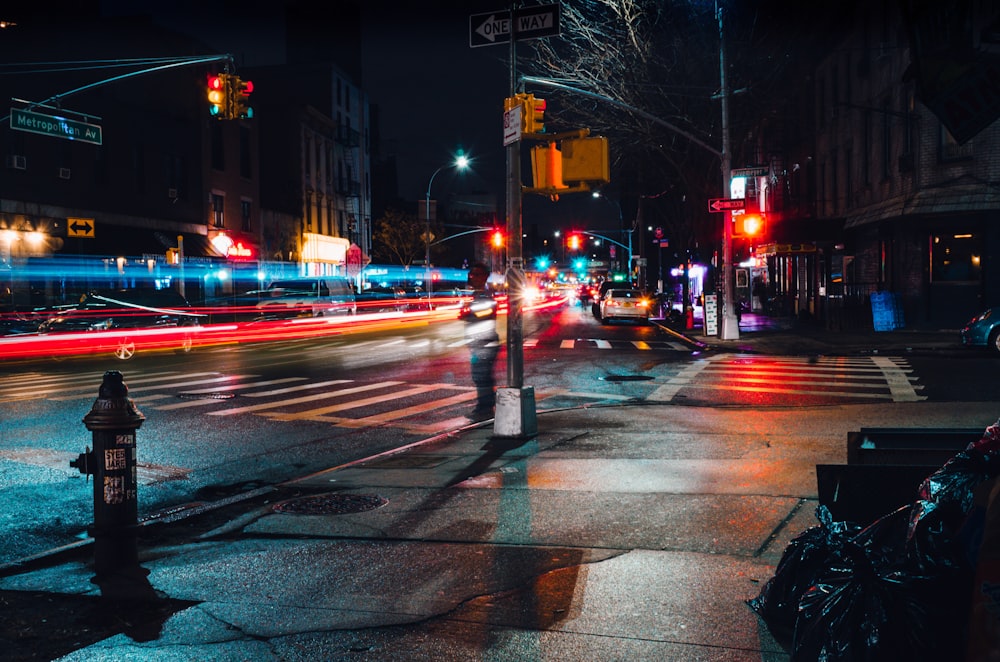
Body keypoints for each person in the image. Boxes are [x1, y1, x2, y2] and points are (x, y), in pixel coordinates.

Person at [460, 262, 500, 417]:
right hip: (479, 342)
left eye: (477, 274)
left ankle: (485, 409)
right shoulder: (477, 294)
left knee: (481, 376)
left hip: (485, 342)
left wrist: (469, 313)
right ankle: (484, 407)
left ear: (485, 276)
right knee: (481, 376)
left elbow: (487, 312)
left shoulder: (486, 293)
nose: (473, 278)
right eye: (472, 274)